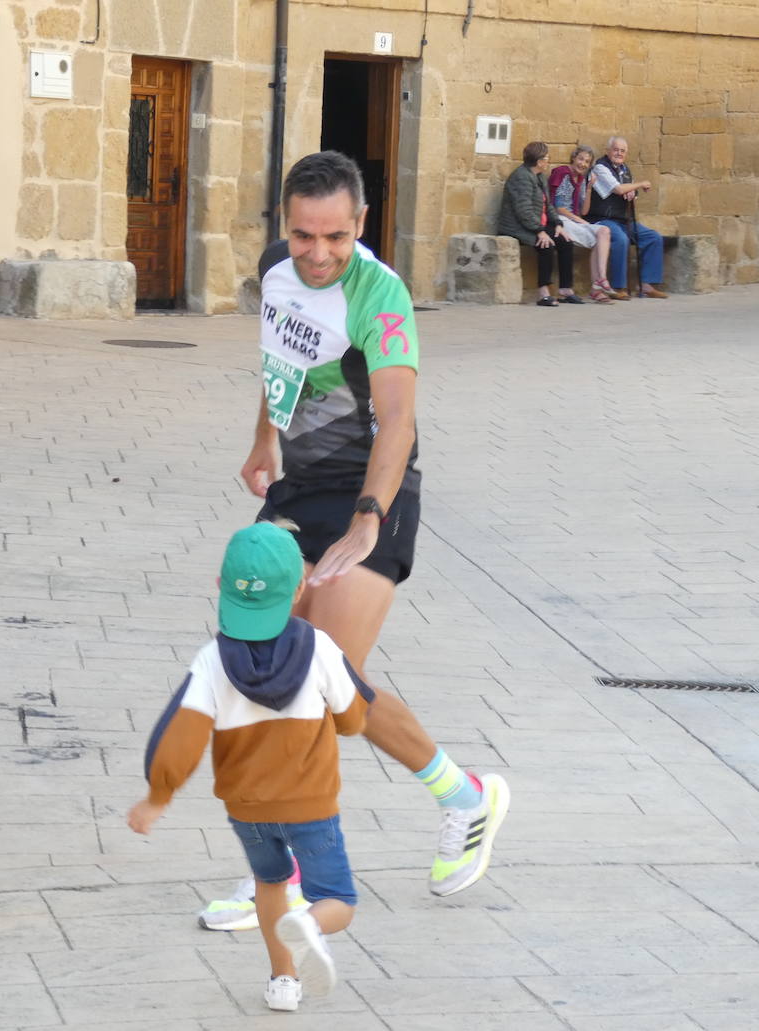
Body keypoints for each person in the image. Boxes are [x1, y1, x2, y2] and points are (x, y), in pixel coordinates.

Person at [200, 150, 510, 932]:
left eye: (335, 236)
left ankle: (291, 870)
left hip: (375, 487)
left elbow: (397, 418)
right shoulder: (276, 271)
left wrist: (370, 513)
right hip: (300, 485)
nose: (318, 253)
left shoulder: (382, 297)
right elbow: (283, 363)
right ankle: (464, 796)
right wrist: (263, 439)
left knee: (318, 676)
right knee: (267, 666)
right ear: (285, 223)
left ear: (360, 224)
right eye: (304, 235)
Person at [129, 522, 368, 1012]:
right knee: (337, 899)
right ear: (300, 588)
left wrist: (158, 797)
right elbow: (353, 719)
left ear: (221, 586)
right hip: (311, 807)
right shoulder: (320, 648)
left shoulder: (213, 660)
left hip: (249, 812)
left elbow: (179, 736)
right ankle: (312, 927)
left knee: (269, 885)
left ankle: (284, 980)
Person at [498, 141, 582, 306]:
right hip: (516, 226)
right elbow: (523, 210)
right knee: (546, 245)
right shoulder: (521, 177)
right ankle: (543, 292)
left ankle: (565, 289)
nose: (548, 160)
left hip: (535, 223)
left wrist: (557, 224)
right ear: (539, 161)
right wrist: (539, 231)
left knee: (565, 241)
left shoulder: (539, 176)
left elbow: (547, 205)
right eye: (546, 158)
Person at [588, 136, 668, 299]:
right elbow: (618, 189)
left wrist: (633, 192)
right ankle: (618, 287)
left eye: (622, 151)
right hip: (603, 219)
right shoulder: (600, 167)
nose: (619, 153)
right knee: (621, 239)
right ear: (608, 151)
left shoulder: (625, 169)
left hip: (624, 219)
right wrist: (639, 185)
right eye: (616, 150)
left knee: (653, 237)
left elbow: (628, 190)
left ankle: (647, 285)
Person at [547, 144, 616, 303]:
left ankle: (601, 279)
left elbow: (584, 211)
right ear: (573, 158)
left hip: (574, 220)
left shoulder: (581, 180)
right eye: (580, 159)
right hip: (560, 220)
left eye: (587, 162)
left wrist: (590, 187)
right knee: (598, 239)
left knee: (604, 231)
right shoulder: (564, 174)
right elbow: (560, 208)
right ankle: (596, 289)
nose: (583, 164)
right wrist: (581, 222)